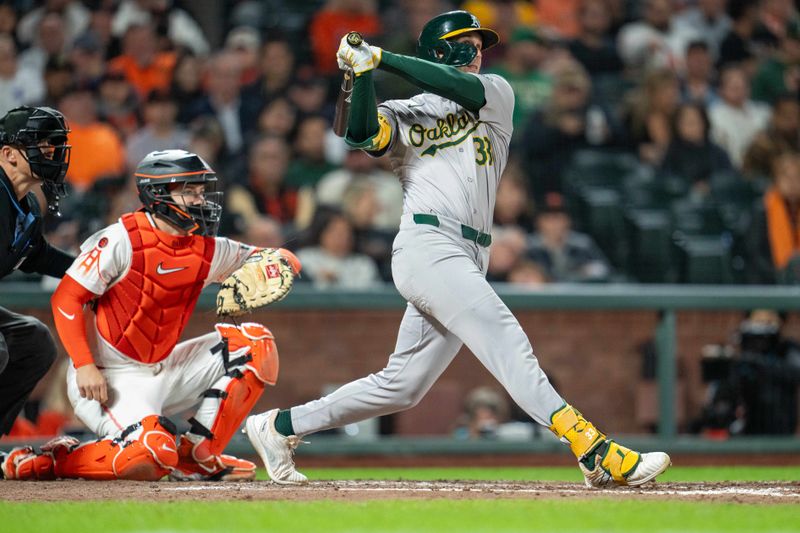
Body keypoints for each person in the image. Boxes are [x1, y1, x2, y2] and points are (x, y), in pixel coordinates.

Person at [244, 10, 671, 488]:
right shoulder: (406, 111)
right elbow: (360, 132)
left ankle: (279, 427)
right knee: (504, 338)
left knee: (401, 386)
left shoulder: (496, 92)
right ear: (442, 49)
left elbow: (459, 87)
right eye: (467, 42)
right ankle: (592, 448)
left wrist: (381, 56)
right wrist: (360, 73)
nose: (478, 50)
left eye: (479, 42)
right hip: (427, 243)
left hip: (470, 253)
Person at [1, 149, 300, 482]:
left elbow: (275, 258)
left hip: (164, 366)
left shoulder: (208, 248)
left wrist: (283, 262)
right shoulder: (120, 239)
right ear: (159, 193)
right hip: (107, 378)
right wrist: (84, 364)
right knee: (151, 455)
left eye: (201, 191)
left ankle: (199, 455)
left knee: (256, 344)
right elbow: (67, 299)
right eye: (189, 191)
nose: (200, 200)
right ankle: (52, 461)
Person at [0, 105, 73, 436]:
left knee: (34, 341)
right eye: (38, 144)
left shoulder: (26, 205)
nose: (49, 152)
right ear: (8, 154)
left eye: (50, 145)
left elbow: (36, 255)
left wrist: (91, 270)